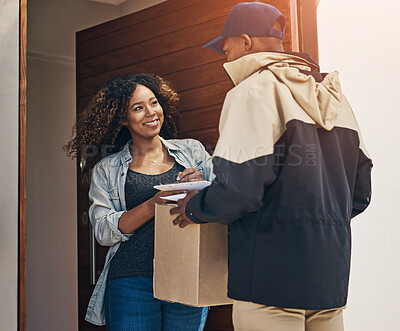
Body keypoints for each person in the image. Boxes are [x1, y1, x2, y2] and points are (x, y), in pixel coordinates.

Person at [170, 2, 373, 331]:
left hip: (268, 280)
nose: (226, 59)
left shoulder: (251, 92)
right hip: (329, 279)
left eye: (226, 49)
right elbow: (360, 193)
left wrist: (193, 208)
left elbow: (239, 189)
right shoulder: (336, 98)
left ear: (246, 42)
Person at [64, 73, 212, 330]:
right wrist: (154, 202)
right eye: (138, 108)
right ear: (123, 118)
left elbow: (222, 201)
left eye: (154, 103)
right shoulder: (106, 169)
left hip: (186, 274)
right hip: (131, 280)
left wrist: (201, 187)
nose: (151, 113)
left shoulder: (193, 152)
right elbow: (102, 231)